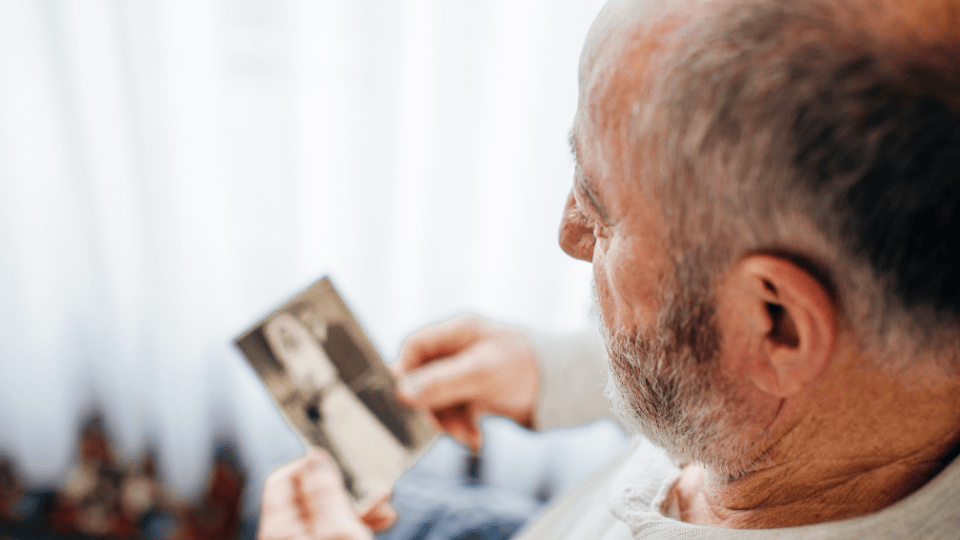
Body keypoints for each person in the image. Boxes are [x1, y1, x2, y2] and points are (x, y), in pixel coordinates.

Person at [256, 0, 960, 538]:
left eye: (600, 208)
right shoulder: (868, 388)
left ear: (775, 325)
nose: (568, 235)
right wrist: (556, 373)